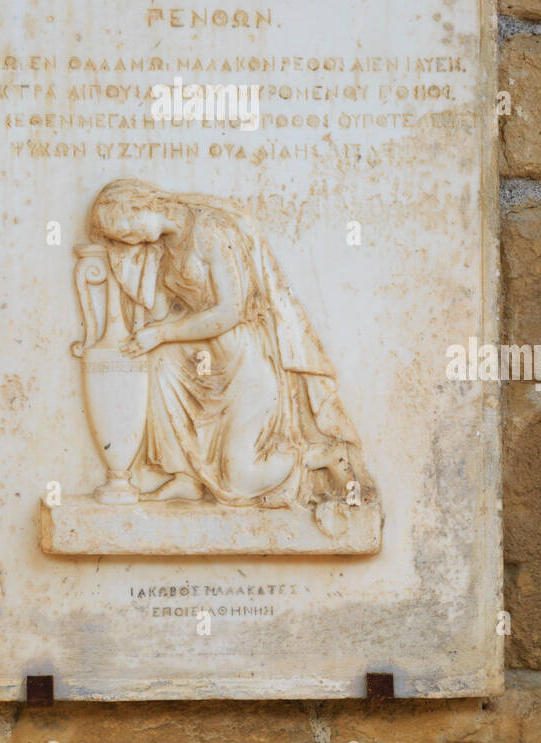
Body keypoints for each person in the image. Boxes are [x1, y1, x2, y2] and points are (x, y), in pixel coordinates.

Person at [88, 179, 377, 516]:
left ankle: (323, 456)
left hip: (244, 359)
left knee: (241, 478)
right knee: (160, 362)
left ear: (140, 206)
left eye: (126, 229)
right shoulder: (166, 244)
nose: (128, 240)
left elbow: (231, 311)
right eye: (120, 238)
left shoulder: (210, 232)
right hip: (204, 356)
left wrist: (163, 333)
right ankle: (185, 475)